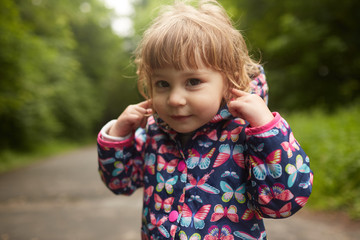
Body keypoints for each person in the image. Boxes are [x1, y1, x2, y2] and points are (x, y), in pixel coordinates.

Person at [97, 0, 313, 239]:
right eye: (163, 84)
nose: (175, 99)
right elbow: (120, 182)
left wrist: (267, 130)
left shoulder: (244, 132)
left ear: (228, 80)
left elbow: (284, 201)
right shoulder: (153, 131)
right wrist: (118, 134)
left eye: (193, 81)